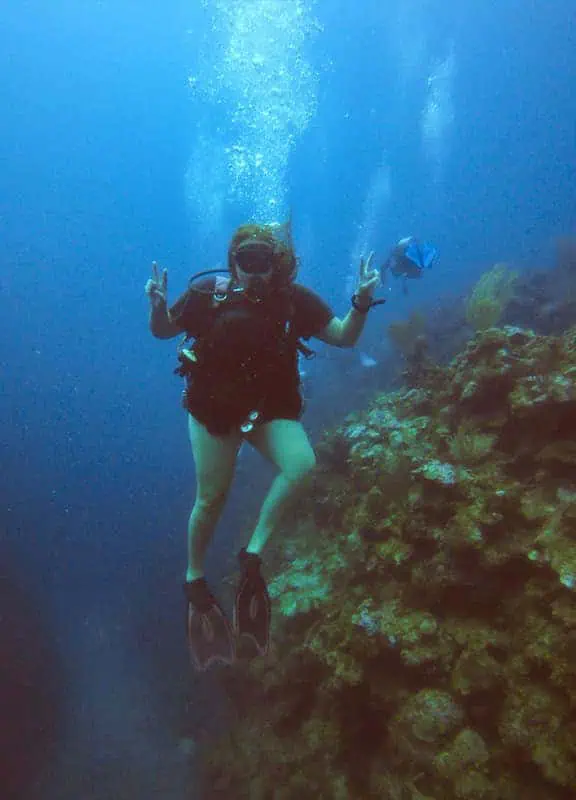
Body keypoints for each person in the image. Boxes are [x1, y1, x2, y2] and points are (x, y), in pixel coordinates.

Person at [145, 222, 380, 670]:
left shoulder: (295, 300)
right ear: (232, 262)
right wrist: (157, 307)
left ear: (278, 266)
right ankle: (195, 579)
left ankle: (252, 555)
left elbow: (344, 336)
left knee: (302, 464)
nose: (254, 272)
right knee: (212, 498)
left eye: (263, 262)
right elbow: (162, 332)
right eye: (245, 261)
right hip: (213, 411)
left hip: (268, 410)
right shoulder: (206, 295)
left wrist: (362, 301)